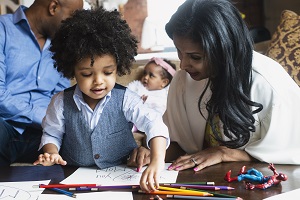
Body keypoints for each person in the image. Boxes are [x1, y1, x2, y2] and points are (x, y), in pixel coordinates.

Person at [128, 0, 300, 171]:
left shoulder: (267, 83)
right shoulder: (183, 80)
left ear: (225, 50)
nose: (183, 65)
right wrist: (156, 153)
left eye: (195, 57)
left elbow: (289, 155)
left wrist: (225, 153)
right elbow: (183, 146)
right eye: (179, 52)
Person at [32, 8, 169, 192]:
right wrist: (52, 153)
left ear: (118, 67)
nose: (98, 81)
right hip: (73, 178)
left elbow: (154, 124)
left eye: (108, 72)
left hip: (121, 176)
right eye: (87, 74)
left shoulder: (126, 98)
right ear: (72, 70)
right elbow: (51, 134)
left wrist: (157, 161)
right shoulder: (60, 102)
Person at [0, 0, 83, 166]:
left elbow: (62, 97)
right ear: (53, 8)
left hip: (44, 135)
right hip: (5, 127)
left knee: (81, 142)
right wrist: (44, 118)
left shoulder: (61, 46)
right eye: (71, 17)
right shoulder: (3, 29)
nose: (73, 26)